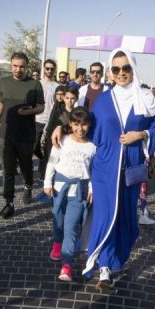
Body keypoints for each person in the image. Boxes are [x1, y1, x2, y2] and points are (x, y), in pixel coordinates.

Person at [53, 48, 155, 289]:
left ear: (133, 68)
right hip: (104, 170)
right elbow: (85, 127)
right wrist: (62, 127)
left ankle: (115, 259)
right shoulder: (103, 102)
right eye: (116, 69)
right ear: (110, 72)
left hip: (130, 170)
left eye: (126, 68)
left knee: (124, 218)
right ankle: (102, 266)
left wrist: (140, 134)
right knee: (104, 216)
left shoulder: (146, 99)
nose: (121, 73)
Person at [44, 106, 96, 281]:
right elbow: (52, 162)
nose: (80, 129)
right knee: (58, 217)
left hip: (79, 190)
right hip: (60, 185)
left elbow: (94, 171)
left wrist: (91, 188)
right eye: (76, 124)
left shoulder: (92, 146)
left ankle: (66, 265)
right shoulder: (63, 139)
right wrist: (47, 182)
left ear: (89, 125)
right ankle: (57, 242)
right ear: (71, 124)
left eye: (84, 125)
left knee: (71, 226)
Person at [0, 52, 45, 218]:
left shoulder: (35, 84)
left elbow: (41, 107)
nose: (18, 69)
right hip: (6, 133)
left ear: (27, 67)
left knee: (26, 165)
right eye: (15, 66)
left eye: (22, 66)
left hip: (26, 134)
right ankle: (9, 202)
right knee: (7, 170)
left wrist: (30, 111)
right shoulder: (4, 82)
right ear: (11, 66)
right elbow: (0, 105)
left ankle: (28, 185)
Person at [35, 59, 58, 181]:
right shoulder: (37, 83)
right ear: (43, 68)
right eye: (47, 68)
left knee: (48, 149)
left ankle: (43, 173)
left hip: (50, 122)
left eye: (52, 69)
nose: (49, 71)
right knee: (35, 147)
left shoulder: (57, 86)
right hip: (36, 120)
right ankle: (42, 160)